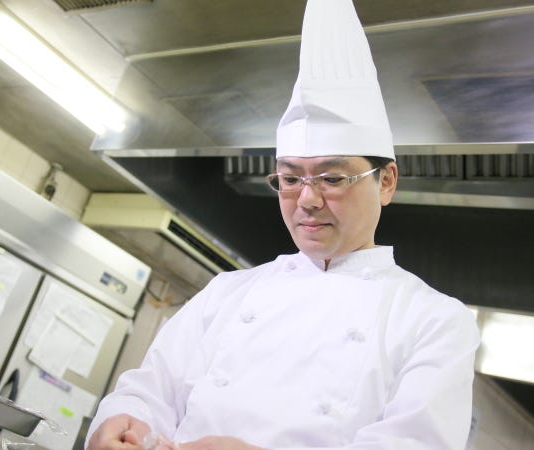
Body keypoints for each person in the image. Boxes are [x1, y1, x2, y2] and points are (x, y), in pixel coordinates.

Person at [85, 1, 480, 449]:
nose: (307, 200)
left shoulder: (433, 321)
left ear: (386, 181)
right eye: (290, 179)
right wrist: (124, 421)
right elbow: (148, 392)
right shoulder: (226, 294)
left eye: (333, 178)